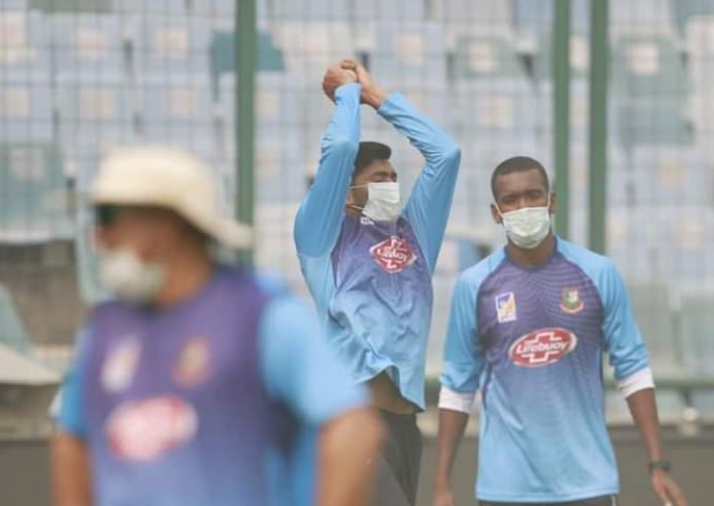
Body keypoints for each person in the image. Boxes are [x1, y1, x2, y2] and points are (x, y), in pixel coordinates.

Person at [51, 146, 383, 506]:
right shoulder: (104, 328)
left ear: (168, 225)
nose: (100, 237)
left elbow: (353, 428)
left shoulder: (261, 315)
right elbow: (72, 438)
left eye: (109, 217)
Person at [433, 156, 688, 506]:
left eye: (534, 195)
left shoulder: (598, 273)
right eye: (511, 200)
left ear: (551, 202)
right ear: (496, 213)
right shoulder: (474, 286)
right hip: (505, 488)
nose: (524, 207)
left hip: (587, 485)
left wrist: (658, 464)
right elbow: (457, 387)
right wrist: (442, 484)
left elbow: (633, 370)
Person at [294, 59, 461, 506]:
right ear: (347, 190)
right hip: (353, 418)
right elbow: (344, 145)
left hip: (405, 427)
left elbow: (445, 154)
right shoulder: (322, 238)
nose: (391, 185)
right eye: (378, 179)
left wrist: (378, 96)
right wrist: (347, 95)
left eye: (394, 178)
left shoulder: (413, 234)